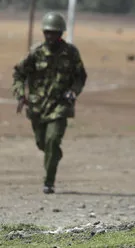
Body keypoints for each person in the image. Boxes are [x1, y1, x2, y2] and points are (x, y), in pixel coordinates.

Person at [12, 11, 87, 194]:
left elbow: (80, 76)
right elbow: (19, 74)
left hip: (60, 106)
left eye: (54, 32)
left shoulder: (70, 53)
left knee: (53, 139)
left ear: (61, 33)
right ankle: (54, 155)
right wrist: (21, 95)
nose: (50, 36)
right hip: (37, 107)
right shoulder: (36, 53)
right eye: (47, 32)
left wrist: (73, 92)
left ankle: (49, 182)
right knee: (42, 143)